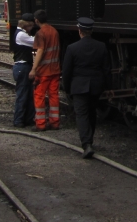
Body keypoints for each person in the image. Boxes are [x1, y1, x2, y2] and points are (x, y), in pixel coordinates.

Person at [61, 17, 111, 158]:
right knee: (92, 113)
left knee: (81, 114)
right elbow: (106, 69)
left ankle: (86, 144)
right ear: (92, 31)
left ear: (80, 31)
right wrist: (107, 87)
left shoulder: (72, 48)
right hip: (96, 86)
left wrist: (67, 87)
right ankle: (90, 140)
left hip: (78, 86)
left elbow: (66, 71)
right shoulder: (101, 46)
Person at [29, 10, 61, 131]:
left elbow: (40, 51)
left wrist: (33, 69)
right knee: (54, 96)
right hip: (55, 70)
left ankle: (41, 124)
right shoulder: (54, 31)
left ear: (36, 20)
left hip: (43, 72)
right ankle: (55, 122)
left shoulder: (40, 33)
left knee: (39, 96)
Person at [11, 14, 37, 127]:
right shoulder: (21, 35)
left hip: (23, 67)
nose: (32, 28)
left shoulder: (20, 33)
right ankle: (19, 120)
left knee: (27, 94)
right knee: (22, 94)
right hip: (23, 67)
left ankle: (26, 119)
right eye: (31, 26)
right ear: (26, 25)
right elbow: (36, 41)